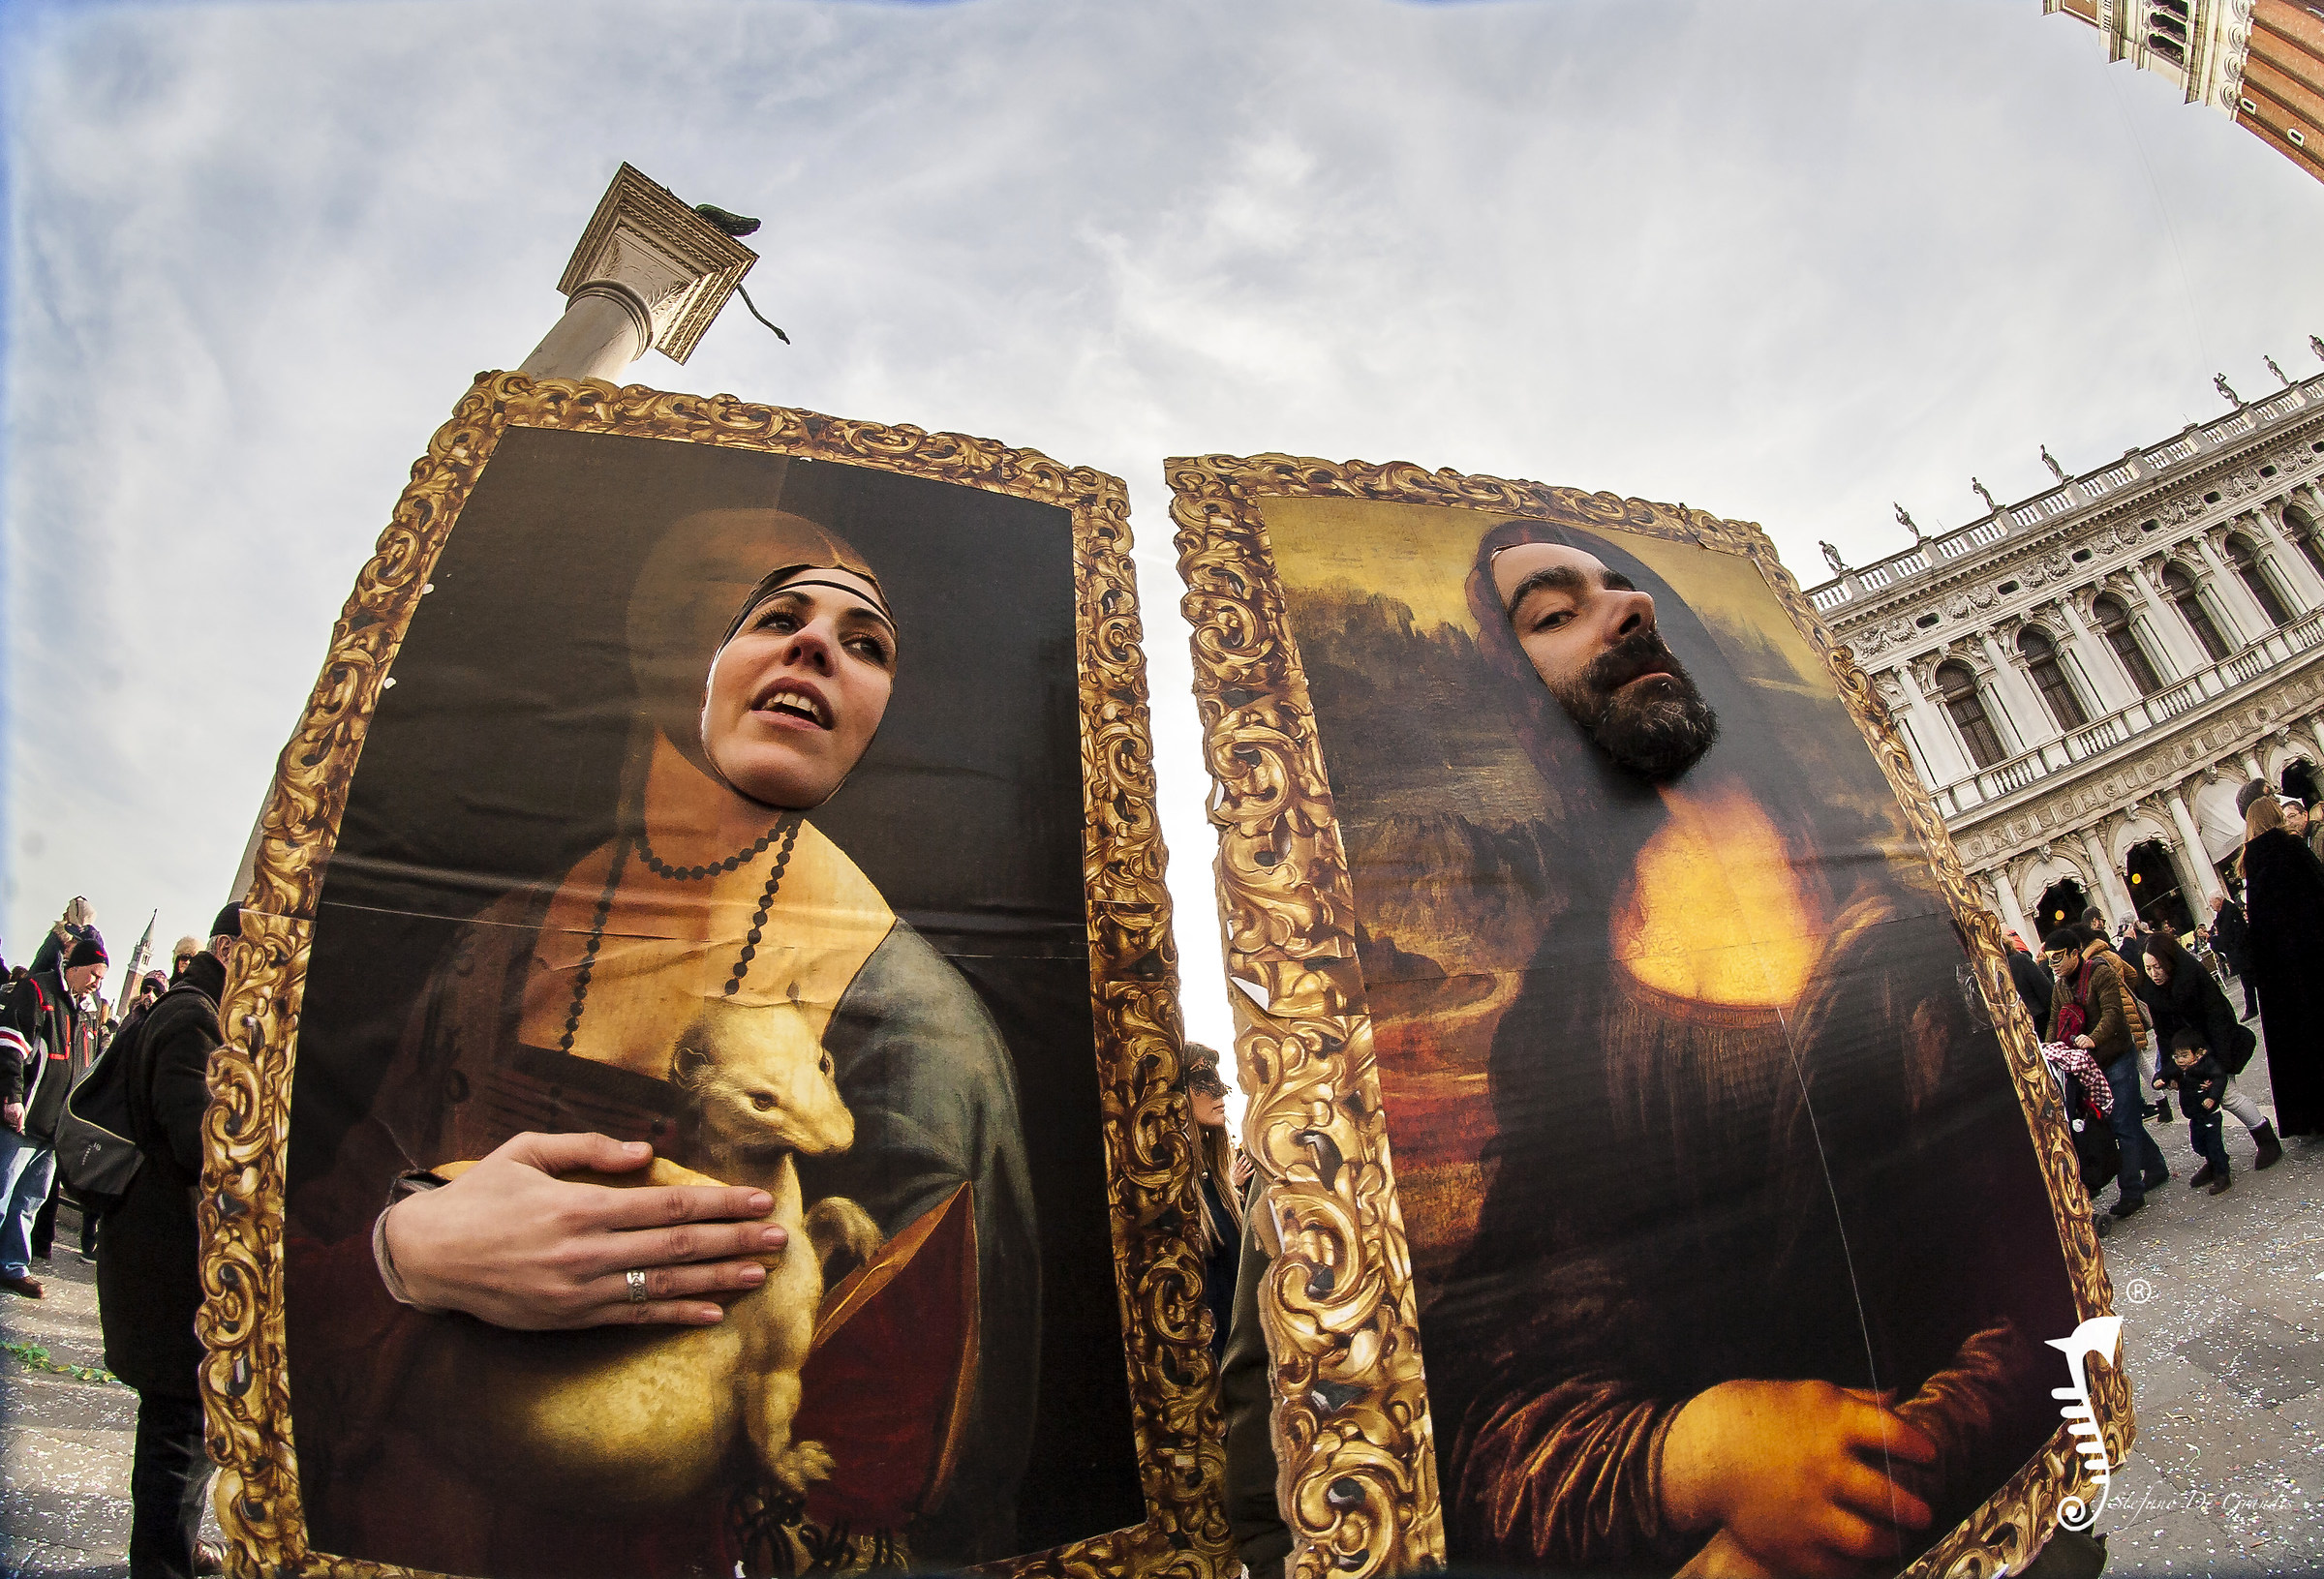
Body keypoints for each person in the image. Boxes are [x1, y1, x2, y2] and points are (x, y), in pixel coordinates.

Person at [293, 510, 1037, 1572]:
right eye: (774, 611)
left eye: (867, 641)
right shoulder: (504, 940)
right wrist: (405, 1253)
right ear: (661, 654)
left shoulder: (917, 1027)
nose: (819, 644)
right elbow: (315, 1229)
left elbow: (922, 1469)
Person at [1424, 520, 2064, 1576]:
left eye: (1627, 585)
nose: (1622, 608)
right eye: (1555, 610)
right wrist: (1702, 1453)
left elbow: (2031, 1265)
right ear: (1518, 700)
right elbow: (1504, 1383)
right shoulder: (1563, 1015)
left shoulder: (1899, 918)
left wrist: (1869, 1479)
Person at [101, 904, 240, 1579]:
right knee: (178, 1432)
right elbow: (194, 1142)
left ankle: (175, 1547)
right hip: (167, 1258)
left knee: (187, 1423)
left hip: (171, 1251)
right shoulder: (195, 1015)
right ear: (226, 946)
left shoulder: (205, 1010)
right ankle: (159, 1565)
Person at [0, 930, 107, 1297]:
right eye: (93, 974)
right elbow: (11, 1046)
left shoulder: (88, 1013)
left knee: (30, 1200)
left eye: (101, 978)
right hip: (23, 1118)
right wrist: (12, 1097)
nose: (96, 983)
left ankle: (12, 1265)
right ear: (74, 968)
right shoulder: (38, 991)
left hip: (54, 1128)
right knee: (1, 1193)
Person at [2047, 924, 2171, 1217]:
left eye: (2058, 957)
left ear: (2075, 953)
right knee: (2121, 1120)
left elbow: (2114, 1013)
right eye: (2049, 958)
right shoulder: (2060, 987)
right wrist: (2051, 1051)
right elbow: (2054, 1023)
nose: (2054, 964)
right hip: (2090, 1065)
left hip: (2117, 1056)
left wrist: (2094, 1037)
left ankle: (2131, 1191)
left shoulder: (2099, 972)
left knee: (2123, 1123)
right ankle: (2155, 1166)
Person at [2134, 932, 2279, 1172]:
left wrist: (2220, 1063)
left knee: (2229, 1096)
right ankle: (2214, 1158)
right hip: (2185, 1052)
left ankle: (2266, 1138)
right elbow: (2163, 1032)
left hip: (2213, 1043)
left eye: (2158, 967)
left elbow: (2219, 1018)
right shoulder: (2150, 987)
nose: (2153, 973)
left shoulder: (2193, 976)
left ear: (2169, 961)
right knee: (2196, 1106)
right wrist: (2169, 1069)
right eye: (2148, 968)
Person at [2239, 795, 2324, 1136]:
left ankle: (2309, 1116)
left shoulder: (2252, 864)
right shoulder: (2291, 849)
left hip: (2279, 974)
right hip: (2312, 958)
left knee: (2297, 1042)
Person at [1180, 1043, 1245, 1359]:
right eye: (1203, 1079)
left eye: (1217, 1078)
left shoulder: (1218, 1185)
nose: (1220, 1091)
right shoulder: (1175, 1193)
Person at [2153, 1029, 2235, 1197]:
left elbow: (2220, 1079)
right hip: (2193, 1114)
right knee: (2198, 1144)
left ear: (2199, 1053)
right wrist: (2159, 1081)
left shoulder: (2208, 1065)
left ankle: (2222, 1174)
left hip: (2210, 1114)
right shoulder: (2178, 1067)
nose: (2180, 1060)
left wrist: (2212, 1097)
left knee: (2214, 1144)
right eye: (2177, 1056)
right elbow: (2164, 1073)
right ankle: (2213, 1162)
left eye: (2184, 1056)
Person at [2209, 891, 2258, 1018]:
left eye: (2211, 902)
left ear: (2219, 900)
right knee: (2249, 981)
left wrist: (2220, 941)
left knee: (2249, 981)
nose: (2211, 906)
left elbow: (2236, 933)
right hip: (2239, 954)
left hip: (2242, 953)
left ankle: (2252, 1009)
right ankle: (2251, 1009)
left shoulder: (2230, 911)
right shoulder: (2223, 914)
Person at [29, 897, 96, 977]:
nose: (64, 914)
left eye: (68, 912)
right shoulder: (88, 943)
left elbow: (40, 964)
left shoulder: (59, 937)